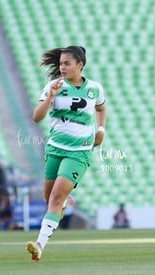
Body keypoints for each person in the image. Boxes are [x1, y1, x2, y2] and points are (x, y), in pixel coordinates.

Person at [26, 46, 106, 261]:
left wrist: (101, 130)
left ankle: (40, 244)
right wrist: (51, 96)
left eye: (67, 63)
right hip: (55, 149)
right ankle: (66, 203)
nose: (62, 67)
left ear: (80, 65)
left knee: (55, 197)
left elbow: (101, 108)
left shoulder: (95, 89)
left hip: (79, 152)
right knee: (50, 199)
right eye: (61, 63)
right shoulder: (53, 86)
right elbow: (36, 117)